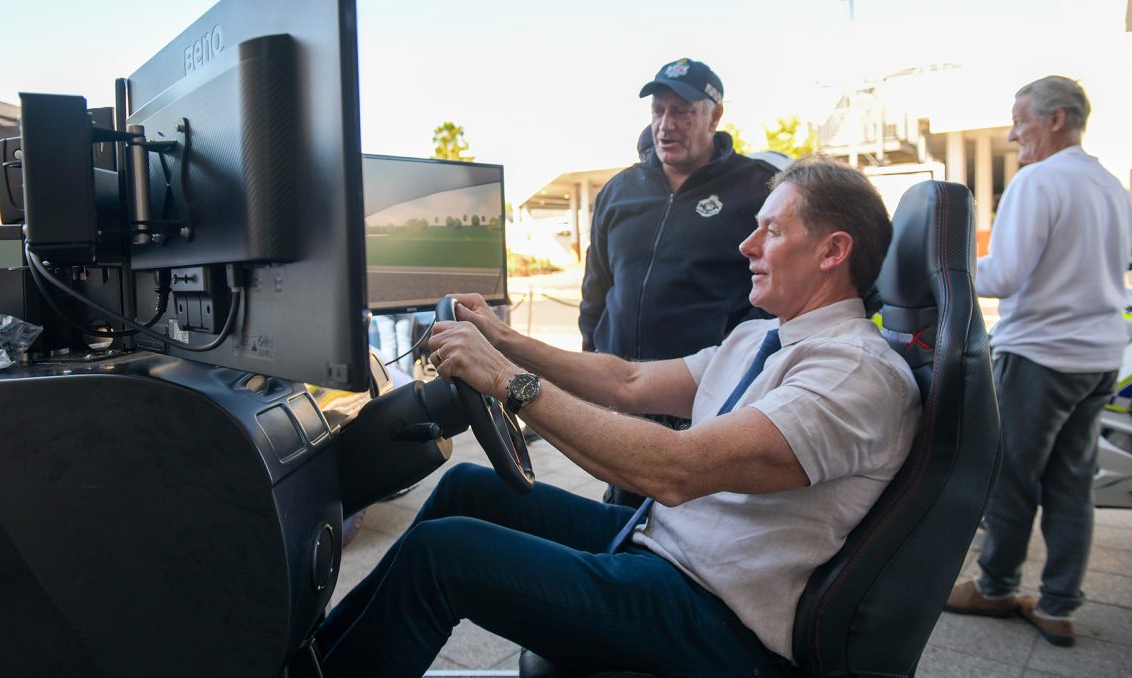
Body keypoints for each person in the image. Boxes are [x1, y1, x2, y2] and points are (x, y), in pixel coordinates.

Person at [315, 157, 921, 676]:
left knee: (446, 555)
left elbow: (675, 471)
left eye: (772, 231)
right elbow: (627, 382)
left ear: (833, 250)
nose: (747, 246)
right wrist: (503, 339)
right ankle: (315, 659)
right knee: (468, 488)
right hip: (656, 550)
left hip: (714, 617)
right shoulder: (763, 339)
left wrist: (504, 381)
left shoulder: (852, 373)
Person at [944, 76, 1132, 647]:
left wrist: (950, 259)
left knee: (1012, 478)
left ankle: (997, 587)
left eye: (1020, 117)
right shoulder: (1112, 186)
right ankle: (1058, 604)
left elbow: (1004, 275)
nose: (1012, 132)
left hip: (1042, 355)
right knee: (1071, 481)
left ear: (1055, 120)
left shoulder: (1038, 181)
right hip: (1099, 356)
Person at [579, 58, 776, 507]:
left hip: (702, 399)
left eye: (683, 111)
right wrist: (592, 357)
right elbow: (597, 287)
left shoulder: (756, 187)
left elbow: (777, 291)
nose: (667, 125)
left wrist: (736, 360)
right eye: (659, 111)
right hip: (622, 393)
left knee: (685, 517)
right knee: (622, 511)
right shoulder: (619, 190)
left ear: (715, 115)